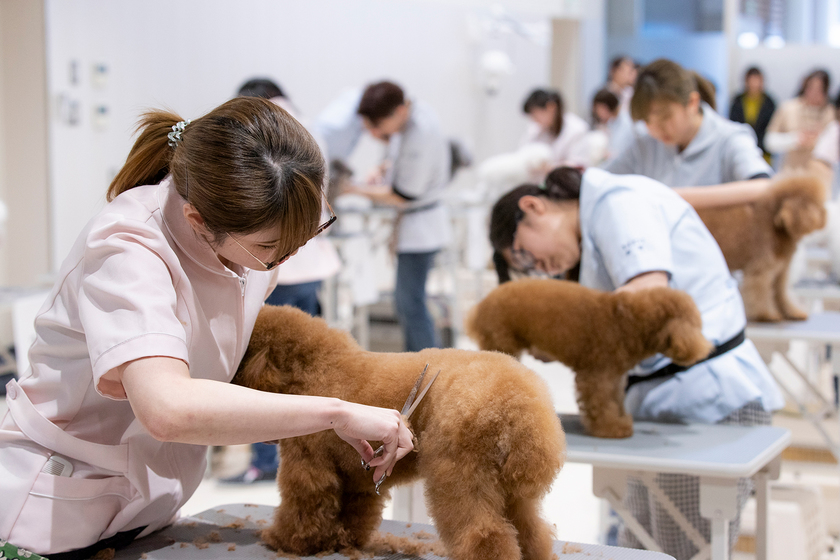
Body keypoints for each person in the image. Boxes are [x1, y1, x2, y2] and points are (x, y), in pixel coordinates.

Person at [0, 96, 414, 559]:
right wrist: (335, 412)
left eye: (309, 230)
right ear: (197, 220)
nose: (289, 255)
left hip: (146, 506)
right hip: (56, 509)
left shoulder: (245, 244)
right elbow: (167, 408)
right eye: (272, 246)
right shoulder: (127, 248)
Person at [489, 166, 784, 560]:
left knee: (680, 549)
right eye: (525, 267)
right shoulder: (596, 223)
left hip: (709, 404)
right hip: (661, 406)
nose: (538, 267)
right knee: (639, 544)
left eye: (524, 252)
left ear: (533, 207)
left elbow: (646, 295)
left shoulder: (618, 203)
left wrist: (555, 327)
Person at [219, 78, 342, 485]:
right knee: (303, 366)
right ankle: (304, 457)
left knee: (264, 367)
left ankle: (266, 461)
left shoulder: (262, 134)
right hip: (309, 265)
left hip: (278, 265)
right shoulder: (310, 129)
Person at [347, 81, 450, 352]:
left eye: (378, 126)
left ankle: (431, 368)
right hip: (416, 226)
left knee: (410, 304)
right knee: (408, 304)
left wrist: (353, 188)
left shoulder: (420, 133)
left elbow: (404, 194)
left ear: (399, 112)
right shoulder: (413, 118)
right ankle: (423, 364)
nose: (376, 133)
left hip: (421, 229)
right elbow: (401, 161)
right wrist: (383, 168)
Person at [604, 58, 773, 205]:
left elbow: (764, 188)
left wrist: (673, 197)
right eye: (648, 122)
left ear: (692, 102)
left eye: (665, 118)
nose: (657, 130)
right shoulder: (645, 143)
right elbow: (602, 181)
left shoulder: (730, 139)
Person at [765, 69, 835, 172]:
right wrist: (795, 139)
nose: (814, 94)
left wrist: (819, 139)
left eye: (819, 90)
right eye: (811, 88)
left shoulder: (831, 113)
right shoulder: (788, 108)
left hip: (819, 175)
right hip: (790, 173)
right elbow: (769, 142)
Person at [521, 88, 591, 169]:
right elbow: (523, 155)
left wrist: (550, 167)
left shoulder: (577, 129)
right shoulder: (535, 129)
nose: (534, 120)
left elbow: (578, 164)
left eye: (535, 115)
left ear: (550, 107)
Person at [729, 67, 776, 163]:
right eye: (751, 81)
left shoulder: (769, 102)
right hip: (741, 148)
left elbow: (771, 127)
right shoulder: (737, 101)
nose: (754, 84)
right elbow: (733, 124)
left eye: (756, 81)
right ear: (746, 82)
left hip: (764, 151)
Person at [590, 88, 635, 164]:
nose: (597, 114)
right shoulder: (612, 123)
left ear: (603, 108)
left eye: (597, 109)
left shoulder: (626, 124)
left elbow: (620, 154)